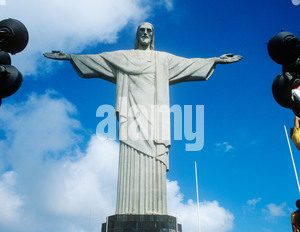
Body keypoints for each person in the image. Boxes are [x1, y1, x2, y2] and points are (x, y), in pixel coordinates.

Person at [44, 22, 242, 215]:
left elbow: (188, 64)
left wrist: (215, 60)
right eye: (142, 30)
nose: (145, 33)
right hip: (130, 114)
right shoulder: (123, 57)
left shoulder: (162, 59)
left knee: (154, 156)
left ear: (153, 36)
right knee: (131, 153)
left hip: (155, 117)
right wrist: (70, 57)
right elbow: (98, 60)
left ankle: (155, 209)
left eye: (149, 30)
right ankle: (126, 209)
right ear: (137, 35)